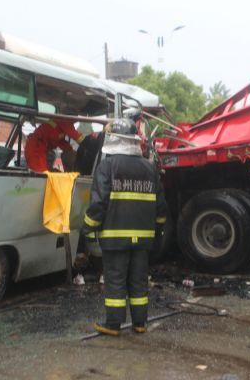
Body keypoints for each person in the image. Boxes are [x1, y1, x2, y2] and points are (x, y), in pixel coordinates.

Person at [82, 118, 167, 336]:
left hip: (114, 238)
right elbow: (161, 207)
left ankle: (113, 325)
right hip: (144, 239)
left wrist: (88, 228)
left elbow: (98, 203)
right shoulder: (150, 168)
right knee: (138, 282)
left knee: (116, 281)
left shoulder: (107, 166)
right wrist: (157, 232)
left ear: (114, 140)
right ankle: (140, 323)